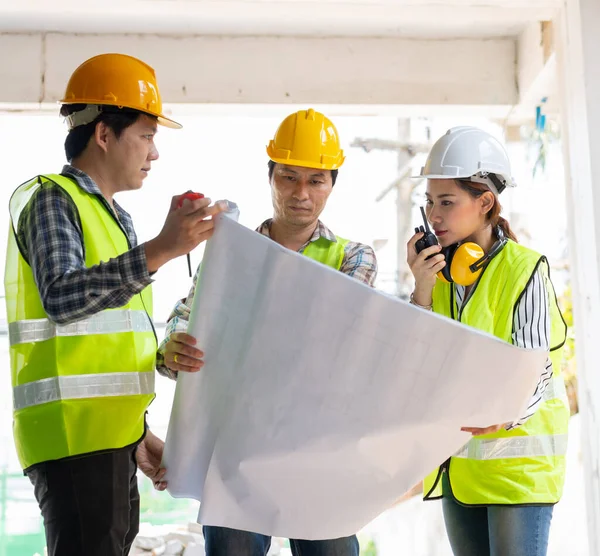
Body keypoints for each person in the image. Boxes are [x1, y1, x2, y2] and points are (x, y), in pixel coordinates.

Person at [5, 53, 225, 556]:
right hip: (72, 439)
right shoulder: (51, 200)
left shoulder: (115, 218)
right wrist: (163, 248)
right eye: (146, 136)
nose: (154, 152)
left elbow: (107, 338)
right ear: (104, 134)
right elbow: (62, 296)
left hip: (107, 440)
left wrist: (136, 433)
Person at [157, 108, 378, 556]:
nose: (301, 193)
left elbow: (335, 346)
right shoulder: (231, 251)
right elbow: (188, 314)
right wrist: (170, 350)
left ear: (332, 185)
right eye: (289, 177)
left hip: (320, 453)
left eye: (316, 180)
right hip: (237, 448)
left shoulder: (354, 258)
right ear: (271, 176)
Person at [407, 126, 569, 556]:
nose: (433, 215)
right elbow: (416, 363)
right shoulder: (438, 273)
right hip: (460, 470)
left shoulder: (525, 269)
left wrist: (507, 416)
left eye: (446, 202)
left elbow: (540, 369)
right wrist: (421, 287)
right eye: (429, 202)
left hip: (519, 474)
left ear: (484, 202)